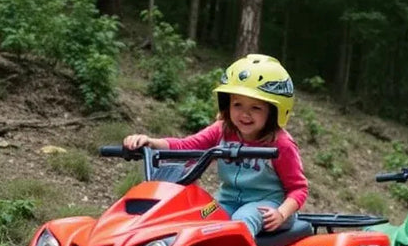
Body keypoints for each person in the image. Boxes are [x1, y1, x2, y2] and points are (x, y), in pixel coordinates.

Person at [123, 54, 308, 235]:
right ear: (227, 104)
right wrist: (150, 142)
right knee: (198, 215)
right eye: (237, 105)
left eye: (256, 107)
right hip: (227, 201)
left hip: (268, 206)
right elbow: (186, 146)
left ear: (274, 112)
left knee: (243, 219)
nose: (244, 114)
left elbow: (298, 188)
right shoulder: (223, 130)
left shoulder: (281, 144)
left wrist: (282, 213)